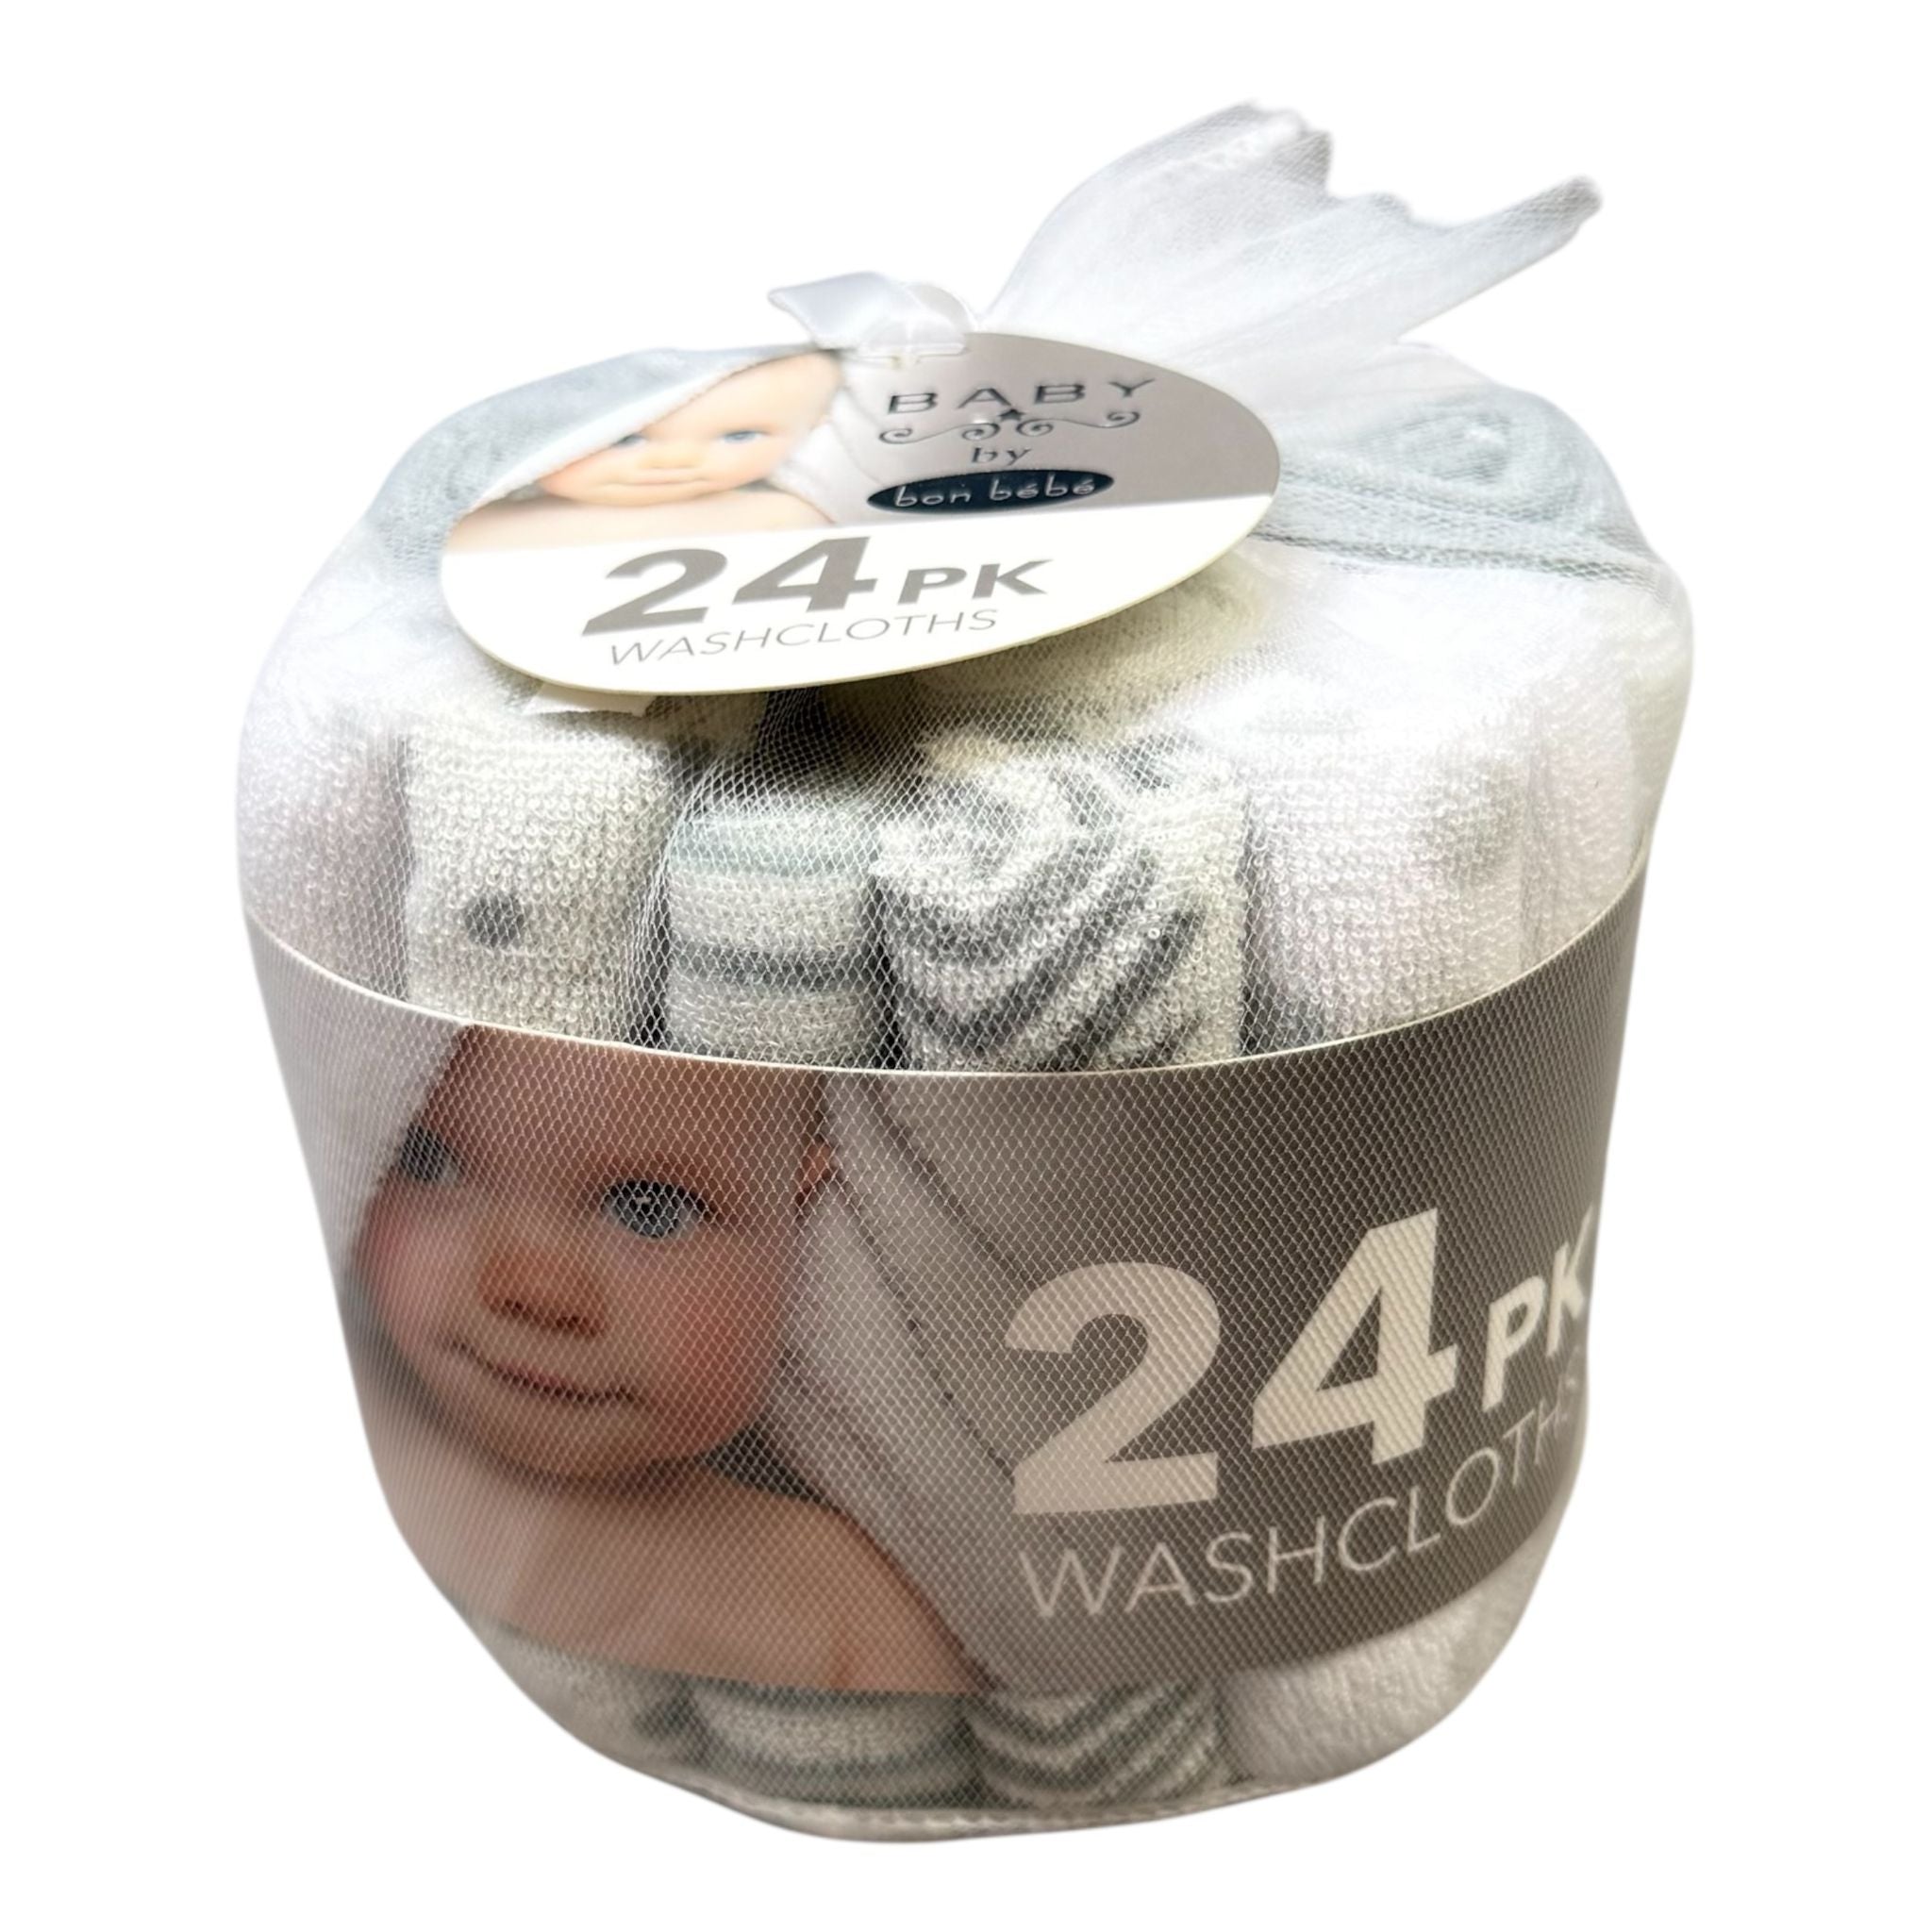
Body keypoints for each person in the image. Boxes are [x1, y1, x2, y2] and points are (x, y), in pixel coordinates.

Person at [351, 1024, 973, 1693]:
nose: (534, 1290)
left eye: (649, 1208)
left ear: (802, 1209)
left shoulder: (843, 1620)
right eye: (429, 1160)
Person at [447, 352, 841, 549]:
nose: (675, 461)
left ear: (814, 425)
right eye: (625, 439)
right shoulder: (480, 529)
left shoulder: (780, 516)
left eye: (739, 436)